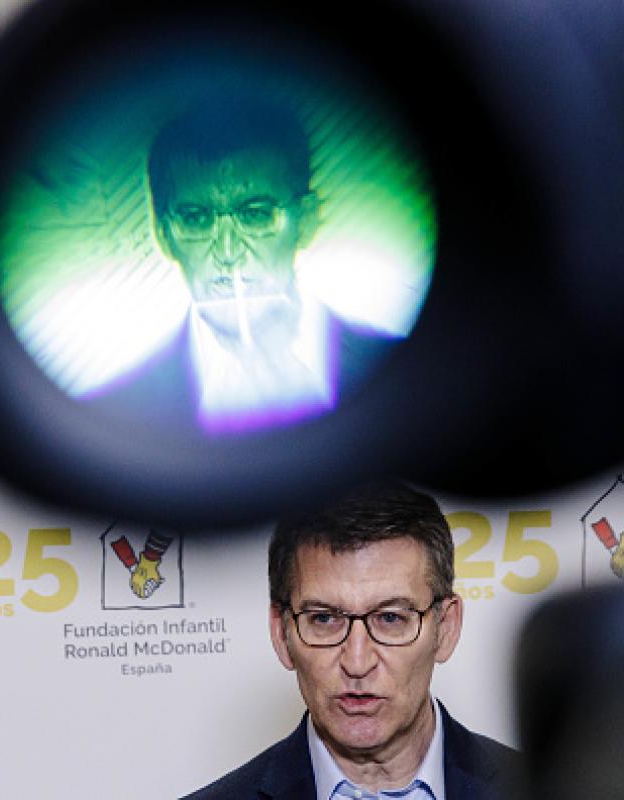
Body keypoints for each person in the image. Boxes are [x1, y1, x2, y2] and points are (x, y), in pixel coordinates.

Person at [185, 482, 521, 799]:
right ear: (281, 633)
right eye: (324, 619)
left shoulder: (537, 789)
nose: (357, 663)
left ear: (445, 627)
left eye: (390, 618)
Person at [90, 96, 390, 436]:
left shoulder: (404, 372)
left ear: (305, 221)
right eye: (196, 218)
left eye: (255, 215)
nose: (228, 252)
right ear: (163, 235)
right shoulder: (115, 419)